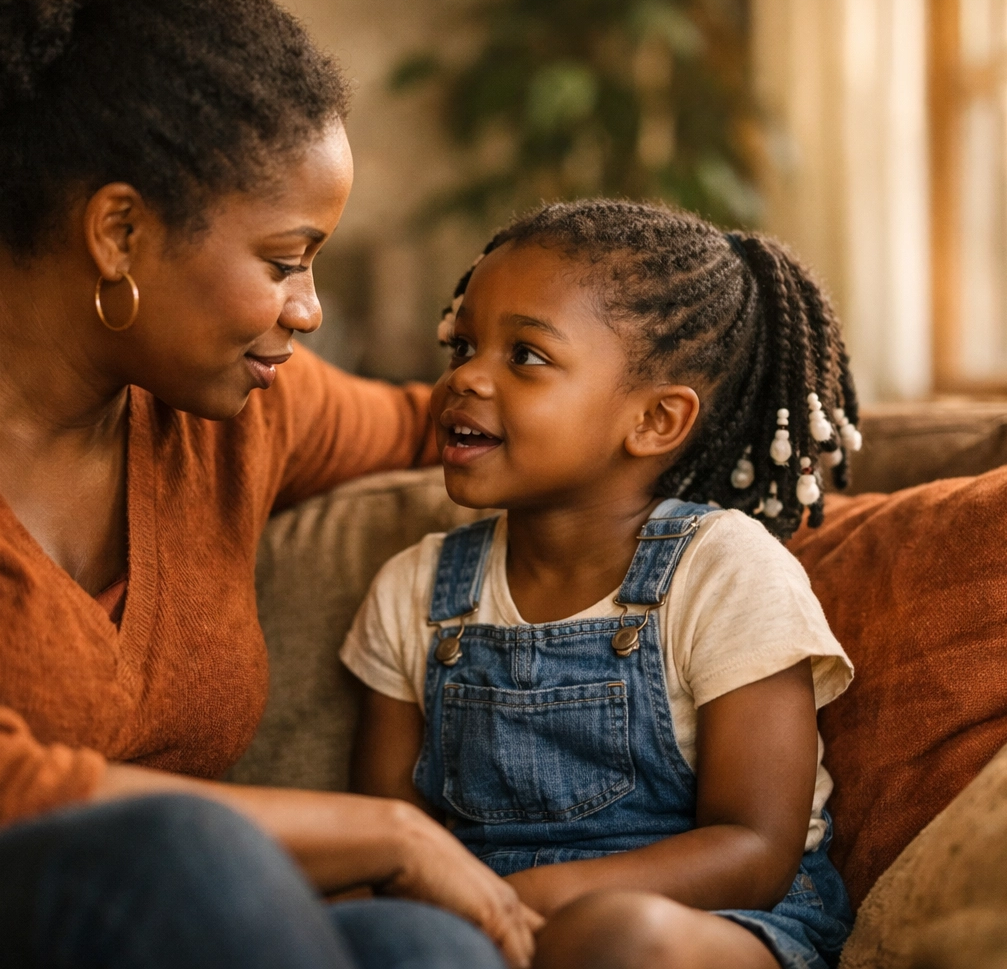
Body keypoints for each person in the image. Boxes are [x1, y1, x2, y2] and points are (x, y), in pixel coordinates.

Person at [0, 0, 540, 966]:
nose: (308, 311)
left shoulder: (230, 407)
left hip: (145, 925)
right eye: (283, 262)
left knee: (420, 945)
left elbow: (453, 422)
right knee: (182, 852)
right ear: (121, 232)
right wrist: (386, 830)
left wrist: (746, 456)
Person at [342, 200, 860, 969]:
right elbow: (387, 837)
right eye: (462, 347)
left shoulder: (725, 571)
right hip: (481, 929)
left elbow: (754, 848)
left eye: (524, 356)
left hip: (720, 922)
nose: (463, 380)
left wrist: (540, 902)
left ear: (654, 419)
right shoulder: (413, 589)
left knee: (618, 942)